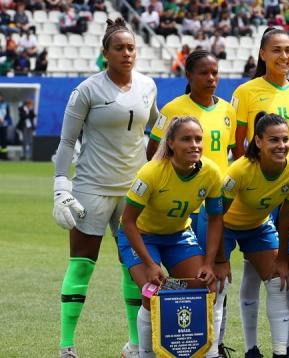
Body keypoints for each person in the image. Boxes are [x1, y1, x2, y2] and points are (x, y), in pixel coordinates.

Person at [52, 18, 159, 358]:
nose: (127, 53)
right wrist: (60, 185)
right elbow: (67, 141)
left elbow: (158, 129)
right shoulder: (86, 90)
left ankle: (135, 345)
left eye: (131, 48)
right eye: (120, 48)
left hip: (134, 192)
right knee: (82, 264)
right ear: (105, 54)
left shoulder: (148, 86)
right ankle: (67, 345)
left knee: (134, 268)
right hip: (91, 188)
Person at [145, 48, 236, 358]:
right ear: (189, 76)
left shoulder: (227, 110)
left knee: (217, 276)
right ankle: (162, 343)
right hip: (184, 208)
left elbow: (229, 155)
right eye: (203, 73)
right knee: (186, 281)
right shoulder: (173, 109)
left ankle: (213, 344)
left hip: (216, 206)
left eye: (215, 73)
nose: (211, 78)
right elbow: (152, 153)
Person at [230, 27, 289, 357]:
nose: (284, 56)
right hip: (257, 190)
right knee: (252, 268)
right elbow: (238, 144)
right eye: (276, 50)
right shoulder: (246, 91)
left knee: (284, 271)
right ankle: (250, 346)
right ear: (262, 54)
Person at [118, 116, 223, 358]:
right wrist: (150, 264)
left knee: (204, 286)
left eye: (198, 139)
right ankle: (141, 352)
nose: (194, 144)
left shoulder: (210, 173)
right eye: (186, 139)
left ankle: (204, 353)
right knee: (151, 292)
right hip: (142, 237)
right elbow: (128, 221)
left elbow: (216, 218)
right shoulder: (152, 173)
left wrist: (209, 263)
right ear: (172, 144)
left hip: (178, 235)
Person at [221, 113, 289, 357]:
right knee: (216, 284)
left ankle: (280, 352)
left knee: (278, 282)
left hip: (258, 227)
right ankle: (213, 350)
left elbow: (286, 217)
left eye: (285, 139)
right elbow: (216, 216)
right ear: (258, 142)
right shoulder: (239, 170)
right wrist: (219, 259)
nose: (281, 146)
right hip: (225, 226)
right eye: (274, 140)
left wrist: (281, 257)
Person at [0, 92, 10, 160]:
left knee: (4, 141)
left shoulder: (6, 104)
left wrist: (3, 119)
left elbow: (8, 114)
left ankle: (4, 156)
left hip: (4, 125)